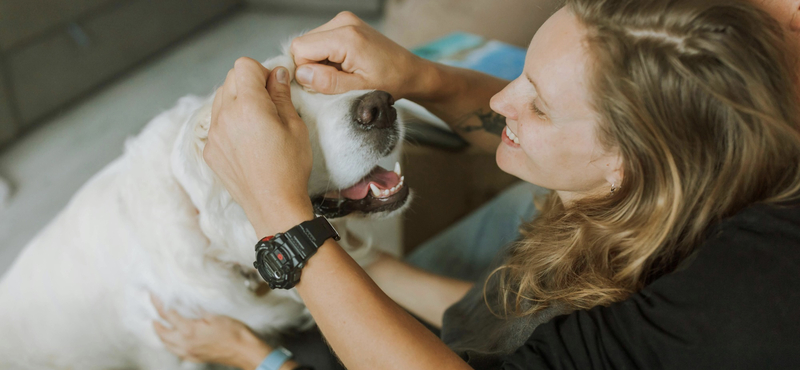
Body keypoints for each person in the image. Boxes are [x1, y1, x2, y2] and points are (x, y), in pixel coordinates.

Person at [152, 0, 800, 369]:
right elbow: (504, 318)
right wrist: (422, 78)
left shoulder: (734, 304)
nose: (505, 98)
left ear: (630, 167)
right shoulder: (685, 171)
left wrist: (283, 223)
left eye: (538, 105)